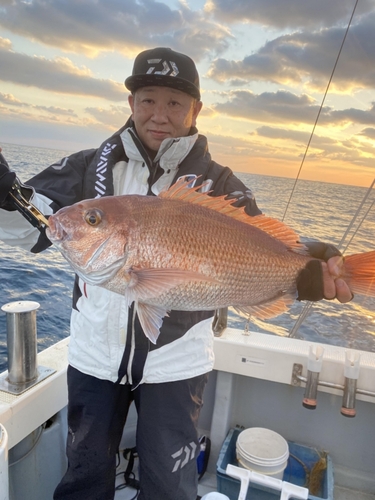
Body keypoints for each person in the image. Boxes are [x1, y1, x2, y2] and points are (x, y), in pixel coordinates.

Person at [0, 47, 352, 500]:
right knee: (83, 481)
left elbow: (263, 245)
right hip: (93, 360)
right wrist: (5, 195)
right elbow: (35, 227)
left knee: (170, 488)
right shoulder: (90, 167)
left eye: (174, 102)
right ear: (131, 103)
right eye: (148, 99)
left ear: (196, 110)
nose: (159, 114)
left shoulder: (220, 183)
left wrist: (307, 263)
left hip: (177, 366)